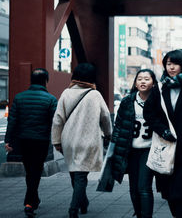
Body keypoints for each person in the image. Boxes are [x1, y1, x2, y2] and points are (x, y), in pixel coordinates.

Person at [51, 63, 112, 218]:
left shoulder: (66, 93)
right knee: (81, 176)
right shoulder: (95, 95)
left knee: (75, 173)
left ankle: (82, 202)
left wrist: (56, 141)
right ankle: (74, 207)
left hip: (69, 141)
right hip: (89, 140)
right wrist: (108, 133)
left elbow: (58, 120)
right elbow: (105, 117)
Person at [143, 50, 182, 218]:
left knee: (181, 193)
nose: (171, 67)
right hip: (166, 147)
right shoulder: (160, 89)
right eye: (168, 64)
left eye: (175, 63)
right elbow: (149, 114)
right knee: (169, 193)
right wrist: (163, 130)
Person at [4, 68, 58, 217]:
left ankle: (34, 199)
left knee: (30, 171)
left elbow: (12, 121)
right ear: (45, 81)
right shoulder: (51, 99)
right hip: (41, 141)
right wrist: (56, 140)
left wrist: (8, 140)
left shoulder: (19, 98)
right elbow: (54, 122)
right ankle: (29, 203)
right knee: (36, 170)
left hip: (23, 140)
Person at [110, 69, 157, 218]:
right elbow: (118, 126)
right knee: (133, 189)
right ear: (135, 83)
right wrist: (114, 148)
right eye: (140, 79)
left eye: (147, 79)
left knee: (144, 187)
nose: (143, 81)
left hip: (149, 150)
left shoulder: (158, 102)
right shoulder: (127, 101)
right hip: (130, 150)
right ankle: (139, 213)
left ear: (153, 83)